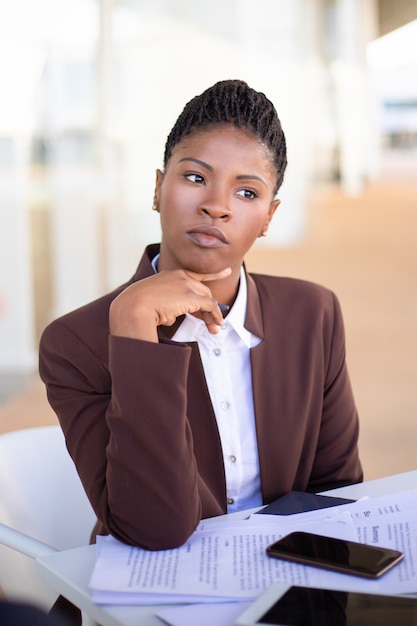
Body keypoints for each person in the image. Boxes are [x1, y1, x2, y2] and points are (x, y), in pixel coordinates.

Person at [39, 79, 362, 553]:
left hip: (286, 584)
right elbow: (154, 530)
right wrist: (132, 326)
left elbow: (338, 493)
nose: (216, 206)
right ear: (157, 188)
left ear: (270, 217)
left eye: (247, 193)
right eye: (195, 178)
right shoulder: (75, 342)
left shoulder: (314, 314)